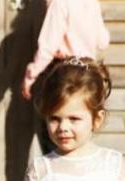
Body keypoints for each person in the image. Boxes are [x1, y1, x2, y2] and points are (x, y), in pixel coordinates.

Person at [22, 0, 110, 154]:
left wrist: (31, 76)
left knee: (55, 137)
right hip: (86, 72)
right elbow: (103, 41)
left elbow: (47, 46)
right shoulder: (92, 4)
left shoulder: (60, 4)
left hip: (63, 73)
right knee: (78, 134)